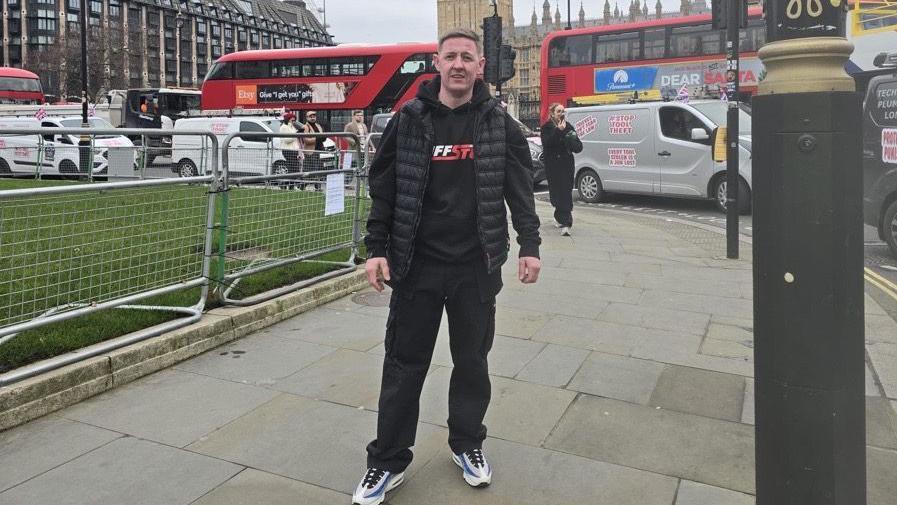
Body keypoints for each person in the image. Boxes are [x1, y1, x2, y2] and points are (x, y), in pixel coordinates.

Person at [352, 28, 542, 505]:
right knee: (403, 366)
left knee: (472, 363)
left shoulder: (499, 124)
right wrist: (376, 248)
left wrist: (530, 244)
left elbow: (519, 188)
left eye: (467, 57)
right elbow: (385, 188)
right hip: (416, 266)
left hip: (476, 267)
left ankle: (468, 444)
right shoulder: (409, 119)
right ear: (436, 63)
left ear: (481, 66)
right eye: (450, 56)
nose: (459, 64)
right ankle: (386, 461)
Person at [540, 103, 583, 236]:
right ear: (552, 113)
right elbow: (547, 144)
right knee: (557, 194)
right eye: (559, 111)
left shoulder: (568, 127)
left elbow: (578, 147)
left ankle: (566, 222)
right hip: (553, 166)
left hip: (566, 165)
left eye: (563, 111)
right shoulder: (546, 128)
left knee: (565, 192)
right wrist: (559, 131)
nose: (561, 113)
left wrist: (569, 137)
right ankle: (560, 216)